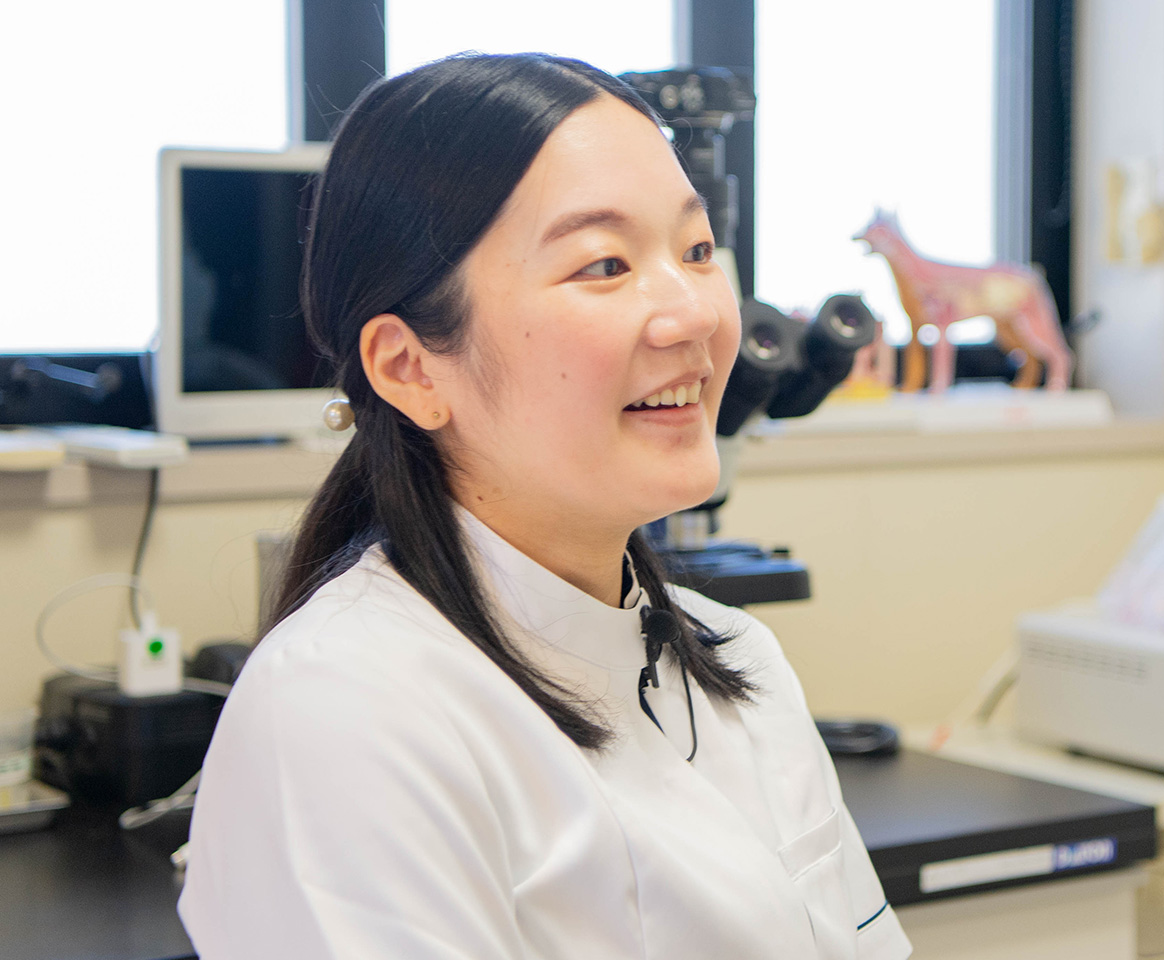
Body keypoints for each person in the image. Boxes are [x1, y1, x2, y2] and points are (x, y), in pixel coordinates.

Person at [177, 53, 911, 960]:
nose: (695, 315)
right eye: (604, 264)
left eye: (696, 251)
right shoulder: (340, 711)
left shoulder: (740, 660)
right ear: (410, 368)